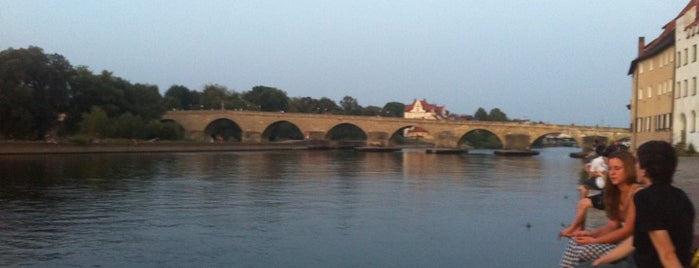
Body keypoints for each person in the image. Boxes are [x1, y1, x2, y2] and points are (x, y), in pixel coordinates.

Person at [559, 150, 643, 268]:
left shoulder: (637, 193)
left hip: (630, 249)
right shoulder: (616, 193)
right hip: (617, 243)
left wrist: (593, 241)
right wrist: (591, 234)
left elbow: (627, 231)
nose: (612, 173)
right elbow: (613, 225)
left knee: (583, 250)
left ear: (629, 169)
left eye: (617, 168)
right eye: (610, 168)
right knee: (574, 242)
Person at [632, 140, 695, 267]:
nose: (635, 166)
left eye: (637, 162)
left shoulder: (645, 198)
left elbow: (667, 253)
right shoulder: (681, 196)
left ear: (644, 170)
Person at [560, 145, 617, 237]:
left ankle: (576, 227)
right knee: (583, 201)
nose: (605, 161)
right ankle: (576, 226)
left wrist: (600, 174)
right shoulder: (608, 164)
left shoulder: (610, 166)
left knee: (583, 194)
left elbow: (609, 181)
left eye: (605, 159)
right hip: (606, 192)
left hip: (610, 196)